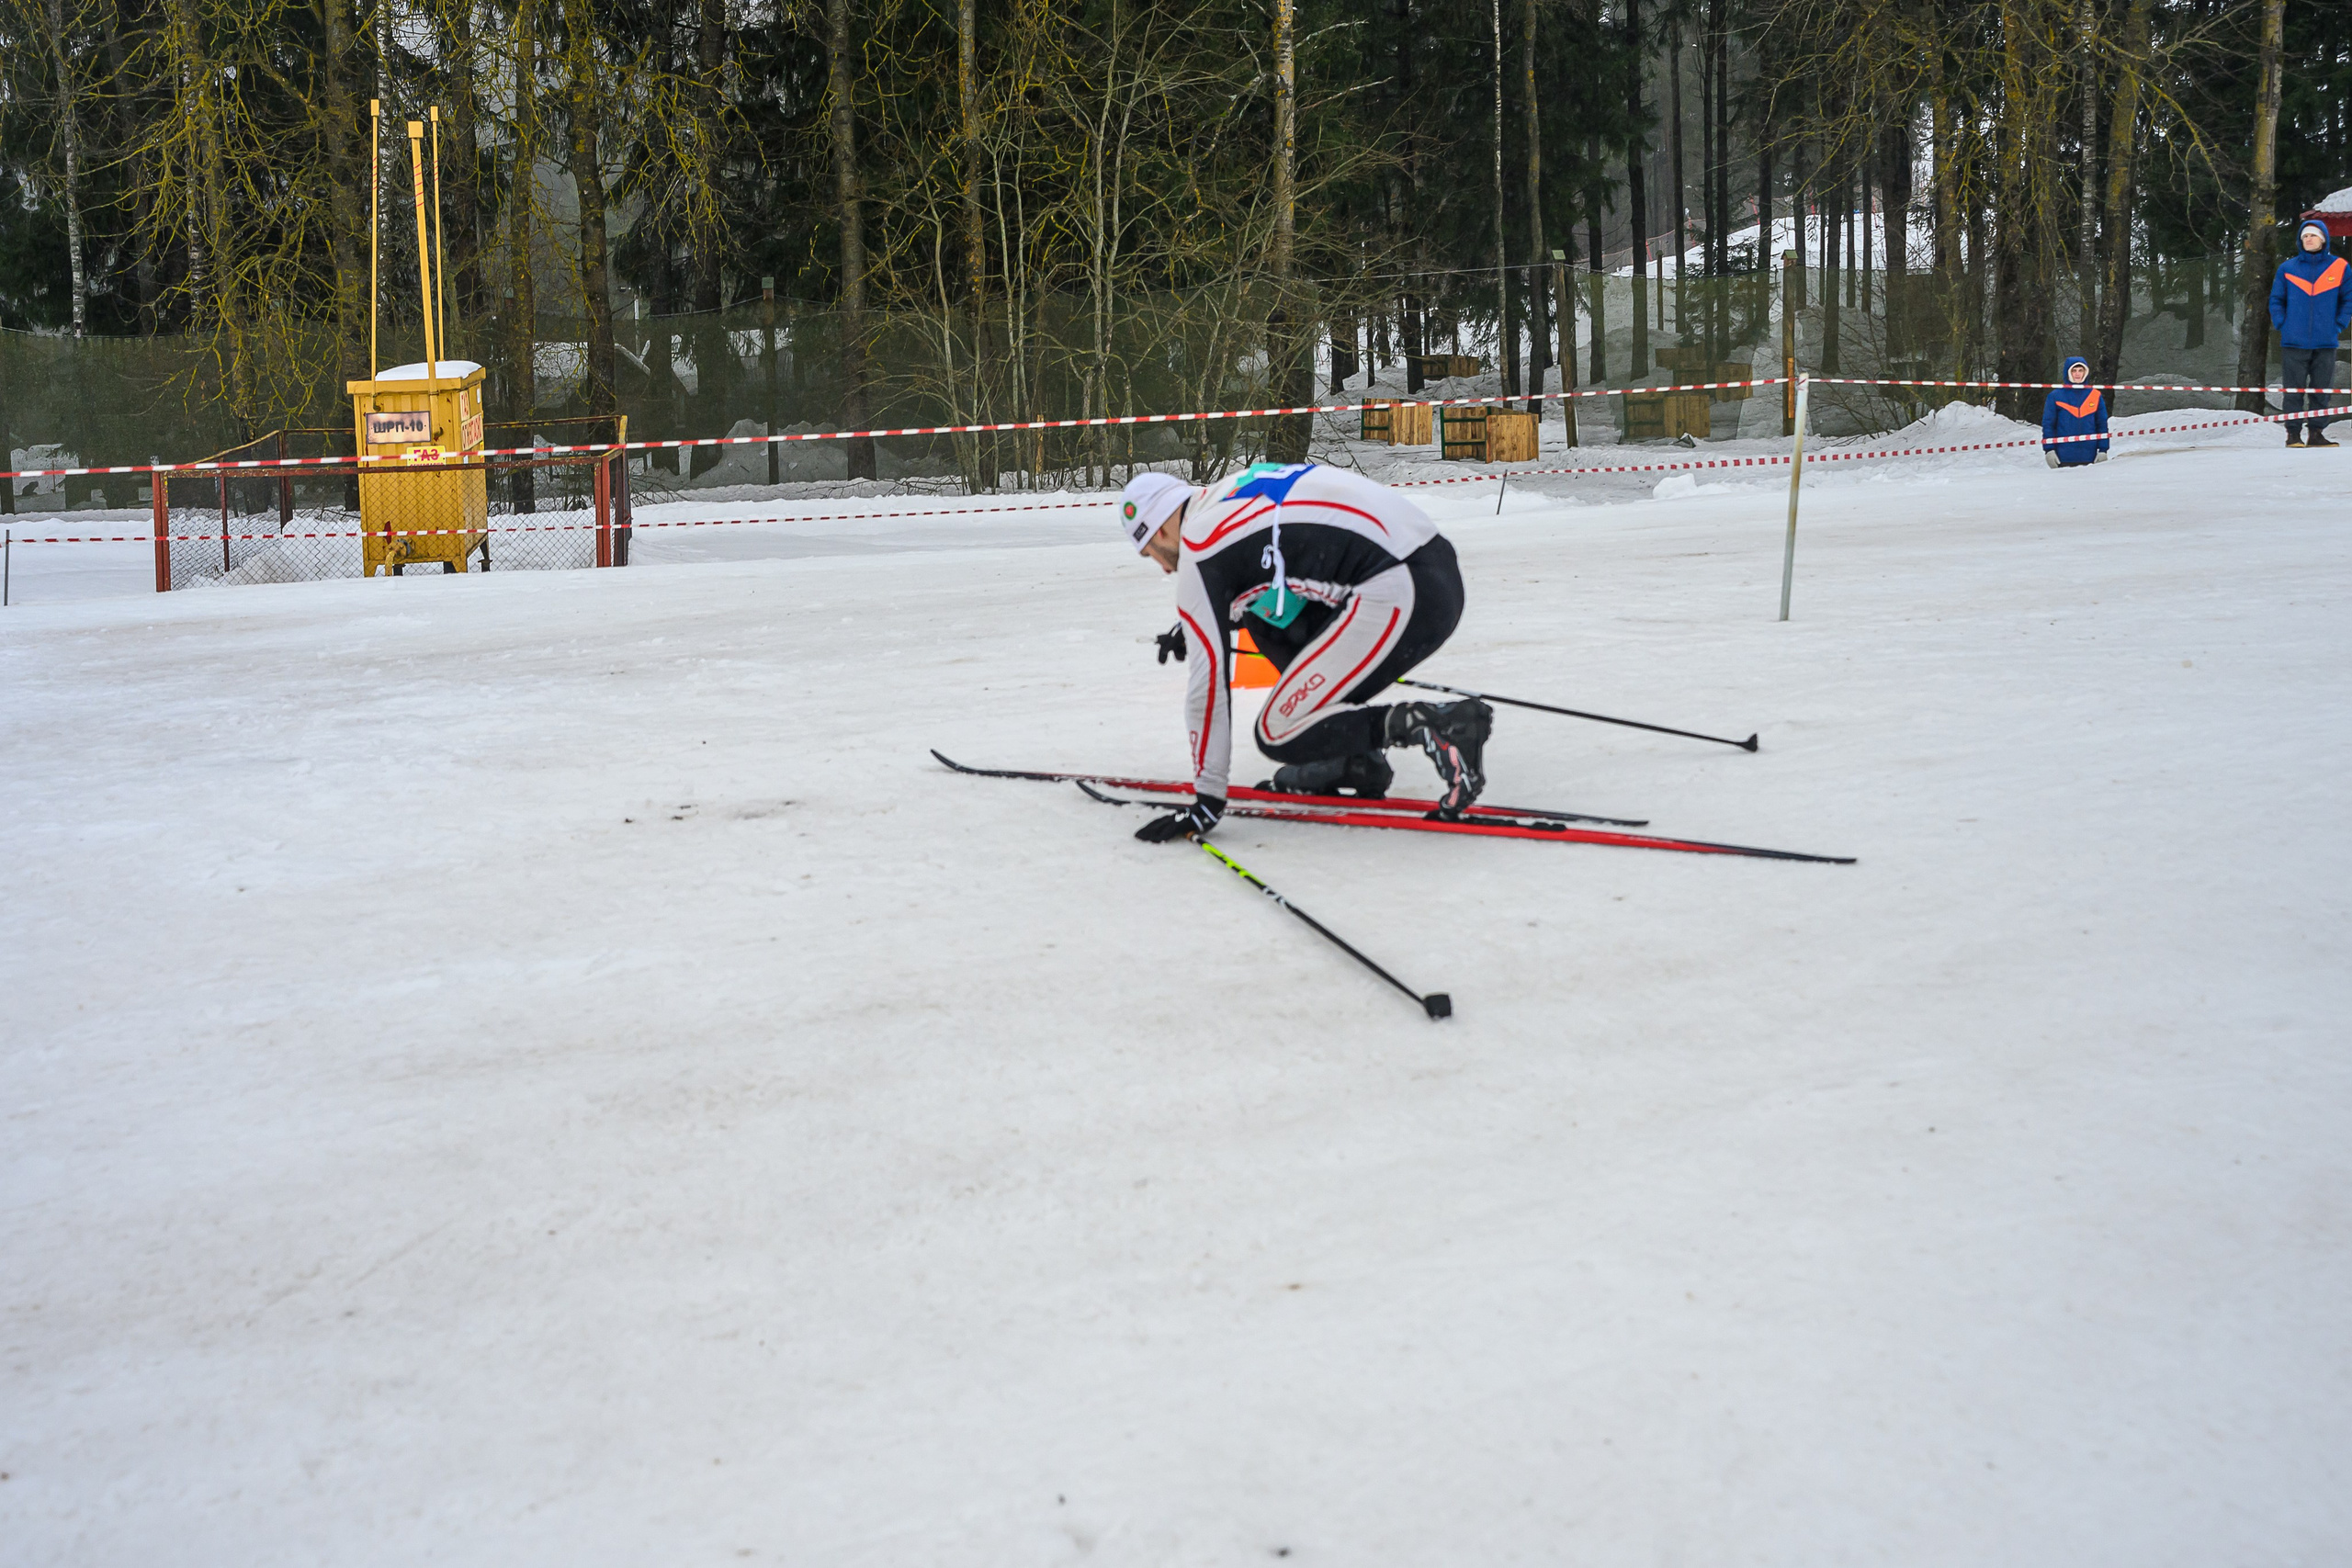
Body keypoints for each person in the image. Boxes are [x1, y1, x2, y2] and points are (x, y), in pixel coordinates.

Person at [1115, 463, 1493, 840]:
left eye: (1151, 553)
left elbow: (1206, 690)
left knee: (1276, 731)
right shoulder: (1227, 496)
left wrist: (1207, 801)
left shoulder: (1199, 547)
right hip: (1435, 569)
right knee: (1257, 618)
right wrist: (1200, 623)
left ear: (1162, 529)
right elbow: (1269, 571)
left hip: (1400, 590)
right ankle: (1349, 760)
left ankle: (1438, 725)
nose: (1164, 569)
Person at [2269, 218, 2352, 448]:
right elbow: (2276, 300)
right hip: (2293, 342)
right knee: (2293, 391)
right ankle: (2293, 435)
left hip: (2326, 342)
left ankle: (2316, 434)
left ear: (2323, 239)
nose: (2308, 239)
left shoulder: (2340, 267)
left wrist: (2339, 324)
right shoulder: (2287, 269)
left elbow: (2349, 300)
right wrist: (2282, 324)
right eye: (2305, 236)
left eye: (2313, 235)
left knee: (2321, 391)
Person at [2041, 357, 2110, 468]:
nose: (2077, 374)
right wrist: (2049, 450)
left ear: (2085, 372)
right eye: (2074, 370)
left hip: (2090, 458)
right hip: (2062, 458)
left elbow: (2101, 424)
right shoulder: (2055, 396)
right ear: (2068, 372)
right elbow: (2048, 425)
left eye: (2080, 370)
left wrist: (2103, 450)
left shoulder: (2095, 395)